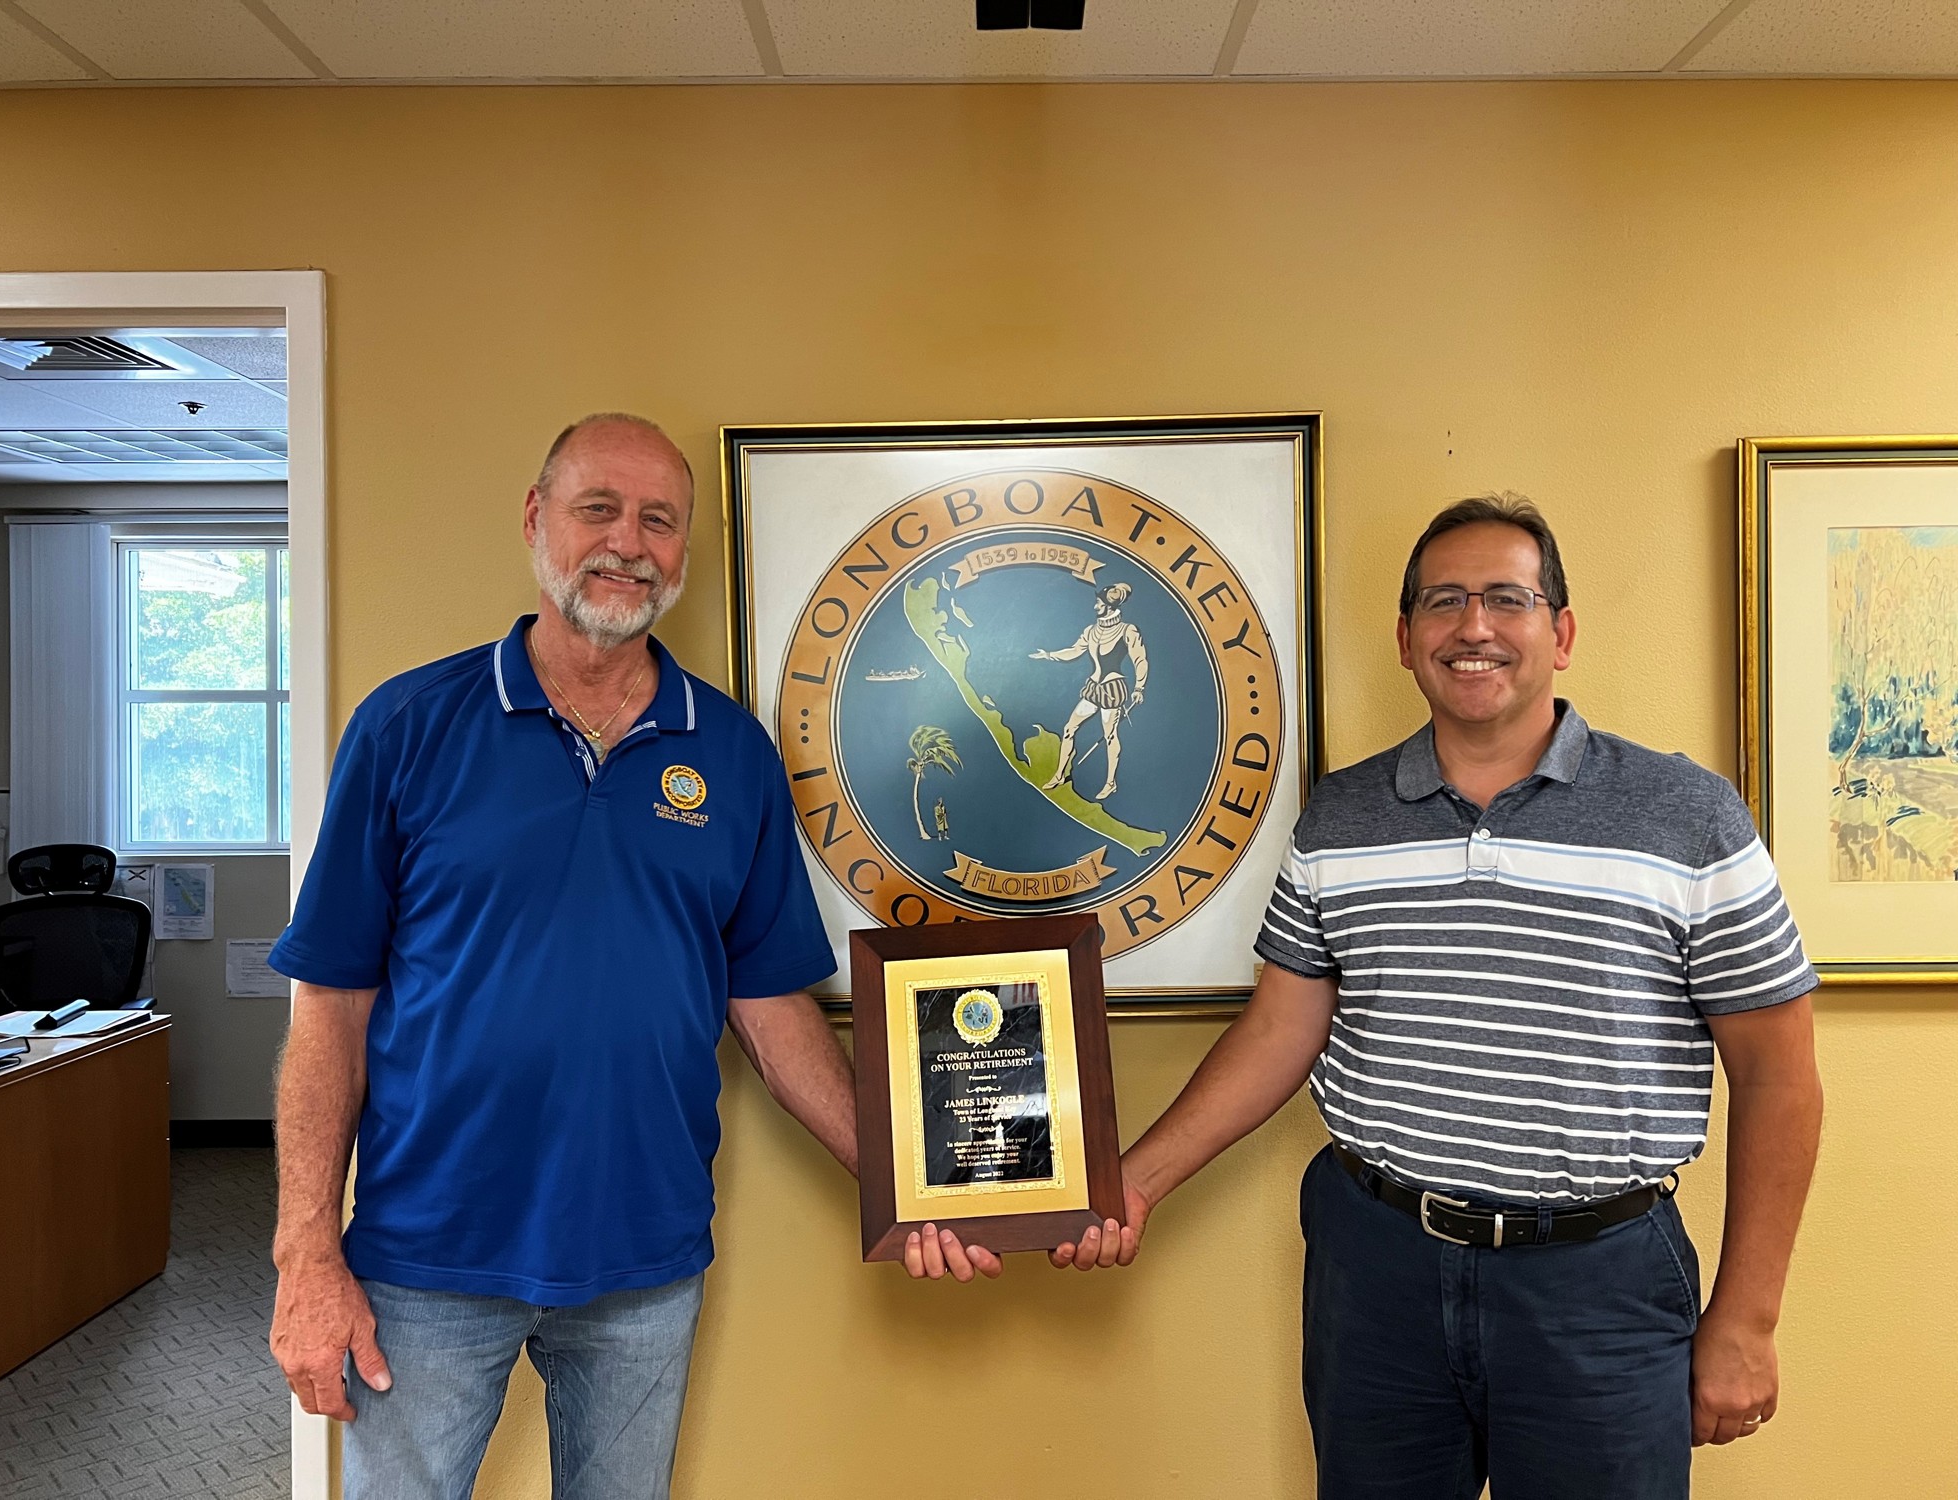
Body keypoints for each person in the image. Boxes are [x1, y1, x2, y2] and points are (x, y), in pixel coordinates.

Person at [1038, 495, 1825, 1499]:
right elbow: (1282, 1027)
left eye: (1507, 598)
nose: (1474, 626)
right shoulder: (1341, 817)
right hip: (1376, 1272)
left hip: (1596, 1282)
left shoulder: (1684, 815)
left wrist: (1746, 1321)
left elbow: (1778, 1078)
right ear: (1406, 639)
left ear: (1561, 632)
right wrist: (1134, 1181)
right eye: (1443, 602)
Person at [266, 413, 859, 1500]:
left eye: (658, 521)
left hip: (644, 1254)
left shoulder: (729, 751)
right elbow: (328, 1008)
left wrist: (907, 1187)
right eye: (598, 509)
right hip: (428, 1254)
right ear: (537, 521)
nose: (627, 543)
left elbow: (774, 1012)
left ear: (683, 550)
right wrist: (304, 1253)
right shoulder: (406, 727)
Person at [1032, 581, 1150, 801]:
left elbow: (1139, 659)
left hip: (1113, 689)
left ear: (1110, 604)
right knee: (1069, 728)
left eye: (1099, 602)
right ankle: (1059, 774)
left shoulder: (1127, 630)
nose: (1095, 606)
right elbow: (1074, 651)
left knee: (1109, 735)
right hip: (1093, 688)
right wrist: (1049, 655)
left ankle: (1110, 783)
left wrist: (1139, 687)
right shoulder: (1092, 630)